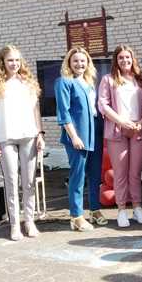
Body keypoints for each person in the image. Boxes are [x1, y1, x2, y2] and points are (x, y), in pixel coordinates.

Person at [0, 45, 45, 241]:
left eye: (17, 60)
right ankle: (15, 225)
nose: (14, 63)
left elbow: (36, 110)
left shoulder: (28, 82)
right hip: (6, 137)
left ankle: (29, 221)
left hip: (28, 135)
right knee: (12, 181)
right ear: (2, 62)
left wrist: (40, 134)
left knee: (29, 182)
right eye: (10, 60)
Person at [98, 44, 142, 228]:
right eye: (121, 57)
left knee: (135, 172)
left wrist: (141, 122)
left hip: (138, 130)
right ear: (116, 60)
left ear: (132, 59)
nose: (124, 60)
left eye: (127, 57)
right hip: (117, 131)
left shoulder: (141, 79)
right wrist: (121, 121)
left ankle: (137, 207)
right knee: (120, 173)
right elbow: (103, 105)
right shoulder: (108, 80)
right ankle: (122, 210)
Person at [55, 46, 103, 232]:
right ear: (69, 62)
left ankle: (95, 210)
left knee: (95, 174)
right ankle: (76, 216)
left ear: (88, 63)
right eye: (75, 60)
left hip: (95, 132)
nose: (79, 64)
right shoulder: (64, 82)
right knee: (78, 176)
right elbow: (64, 112)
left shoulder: (89, 82)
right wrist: (73, 136)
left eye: (83, 60)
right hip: (78, 135)